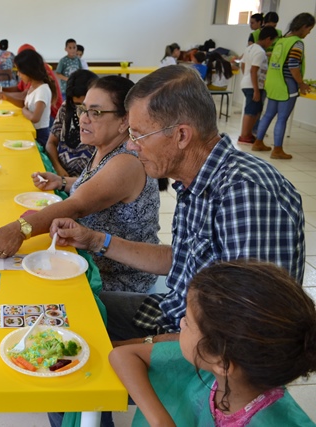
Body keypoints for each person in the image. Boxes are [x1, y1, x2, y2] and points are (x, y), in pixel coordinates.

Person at [50, 65, 305, 344]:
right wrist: (94, 239)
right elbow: (180, 260)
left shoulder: (246, 194)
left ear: (182, 135)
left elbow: (249, 331)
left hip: (209, 352)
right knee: (64, 309)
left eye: (138, 135)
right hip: (172, 315)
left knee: (77, 350)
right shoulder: (193, 181)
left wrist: (134, 349)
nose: (132, 146)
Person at [0, 76, 161, 293]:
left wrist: (21, 229)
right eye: (83, 109)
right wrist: (63, 181)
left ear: (124, 121)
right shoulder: (105, 148)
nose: (84, 119)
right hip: (90, 262)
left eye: (96, 112)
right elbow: (97, 186)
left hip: (117, 280)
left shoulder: (127, 161)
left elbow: (78, 205)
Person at [110, 260, 316, 427]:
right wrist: (161, 421)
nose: (181, 322)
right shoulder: (221, 365)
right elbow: (122, 356)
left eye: (188, 322)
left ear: (223, 363)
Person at [252, 12, 314, 159]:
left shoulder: (281, 40)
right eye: (309, 29)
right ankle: (277, 150)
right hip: (287, 85)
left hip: (273, 83)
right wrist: (301, 83)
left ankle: (258, 142)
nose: (309, 33)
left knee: (268, 115)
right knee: (282, 118)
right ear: (304, 27)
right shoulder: (297, 42)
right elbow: (293, 66)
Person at [0, 43, 63, 125]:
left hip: (51, 116)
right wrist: (1, 89)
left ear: (27, 67)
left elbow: (33, 115)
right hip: (36, 116)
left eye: (19, 70)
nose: (18, 74)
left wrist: (4, 94)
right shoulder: (32, 81)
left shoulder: (41, 86)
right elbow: (22, 95)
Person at [45, 69, 98, 177]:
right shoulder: (67, 107)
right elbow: (51, 143)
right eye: (77, 105)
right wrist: (58, 168)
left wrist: (74, 181)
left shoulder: (102, 115)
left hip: (89, 181)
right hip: (61, 176)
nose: (82, 111)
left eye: (85, 106)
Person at [238, 26, 278, 144]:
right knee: (251, 111)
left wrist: (246, 77)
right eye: (271, 41)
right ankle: (244, 135)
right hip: (254, 85)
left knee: (254, 110)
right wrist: (256, 90)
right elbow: (253, 71)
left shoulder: (250, 48)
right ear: (268, 39)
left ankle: (248, 134)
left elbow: (243, 65)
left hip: (248, 83)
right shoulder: (260, 52)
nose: (271, 44)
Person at [15, 49, 56, 147]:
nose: (18, 74)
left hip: (40, 135)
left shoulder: (42, 90)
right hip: (34, 131)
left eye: (20, 71)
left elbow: (35, 117)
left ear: (28, 70)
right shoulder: (32, 86)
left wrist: (24, 110)